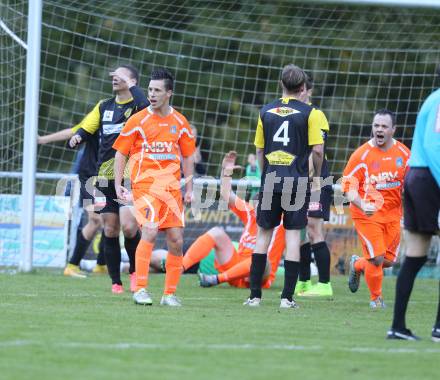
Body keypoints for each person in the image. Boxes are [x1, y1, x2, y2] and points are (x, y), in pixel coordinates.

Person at [113, 68, 195, 307]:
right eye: (150, 89)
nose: (152, 94)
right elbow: (120, 153)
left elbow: (188, 156)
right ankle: (140, 289)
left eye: (157, 90)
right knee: (148, 230)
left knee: (176, 240)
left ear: (169, 93)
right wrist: (118, 185)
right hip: (145, 186)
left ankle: (169, 294)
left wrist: (189, 187)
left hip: (171, 189)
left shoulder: (180, 122)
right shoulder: (137, 120)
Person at [247, 64, 325, 308]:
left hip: (271, 179)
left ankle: (254, 297)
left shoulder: (266, 111)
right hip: (297, 181)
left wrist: (264, 174)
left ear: (282, 85)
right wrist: (317, 177)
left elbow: (259, 149)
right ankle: (286, 299)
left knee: (263, 236)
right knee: (293, 238)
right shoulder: (310, 113)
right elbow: (318, 150)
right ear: (303, 88)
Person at [69, 64, 149, 293]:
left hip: (129, 175)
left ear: (132, 81)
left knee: (129, 225)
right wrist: (77, 138)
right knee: (110, 228)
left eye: (120, 76)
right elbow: (85, 129)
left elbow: (144, 106)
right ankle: (116, 282)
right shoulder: (104, 106)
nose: (114, 78)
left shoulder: (139, 105)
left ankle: (135, 271)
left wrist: (134, 86)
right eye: (113, 75)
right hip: (104, 177)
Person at [182, 151, 285, 289]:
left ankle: (216, 279)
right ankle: (180, 267)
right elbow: (226, 194)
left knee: (260, 259)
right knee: (216, 232)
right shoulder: (250, 212)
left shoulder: (283, 221)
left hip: (259, 277)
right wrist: (226, 171)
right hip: (235, 270)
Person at [387, 87, 440, 341]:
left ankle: (397, 327)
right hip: (430, 179)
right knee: (414, 256)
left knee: (415, 257)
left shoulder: (432, 98)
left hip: (417, 177)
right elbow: (434, 144)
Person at [343, 110, 410, 308]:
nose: (379, 130)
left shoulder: (404, 154)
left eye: (384, 126)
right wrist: (363, 204)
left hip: (393, 214)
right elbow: (347, 186)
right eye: (376, 126)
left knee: (387, 261)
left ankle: (357, 264)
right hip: (366, 214)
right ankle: (376, 300)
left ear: (393, 130)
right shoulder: (361, 155)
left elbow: (412, 182)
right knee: (377, 257)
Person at [38, 113, 106, 277]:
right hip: (91, 174)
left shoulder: (134, 115)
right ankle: (72, 265)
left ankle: (102, 265)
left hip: (111, 175)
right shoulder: (101, 113)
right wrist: (43, 140)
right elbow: (73, 131)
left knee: (112, 221)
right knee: (96, 220)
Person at [295, 74, 334, 299]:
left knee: (313, 230)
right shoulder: (293, 116)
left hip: (317, 179)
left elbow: (316, 152)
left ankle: (325, 284)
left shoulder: (316, 115)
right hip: (298, 179)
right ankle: (303, 282)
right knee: (299, 232)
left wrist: (307, 178)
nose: (300, 93)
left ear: (309, 91)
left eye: (303, 89)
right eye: (297, 89)